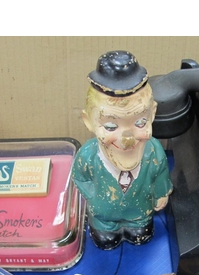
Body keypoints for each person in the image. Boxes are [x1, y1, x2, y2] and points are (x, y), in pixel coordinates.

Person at [72, 51, 173, 250]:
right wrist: (93, 196)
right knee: (105, 238)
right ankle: (106, 229)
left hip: (140, 213)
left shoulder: (153, 152)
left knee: (141, 234)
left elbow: (160, 174)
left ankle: (137, 226)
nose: (127, 140)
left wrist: (161, 193)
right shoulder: (87, 156)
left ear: (152, 114)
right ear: (89, 122)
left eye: (140, 122)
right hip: (103, 216)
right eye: (111, 127)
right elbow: (80, 177)